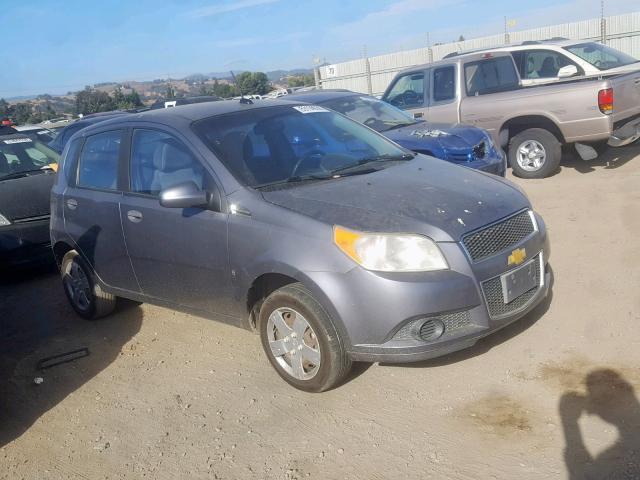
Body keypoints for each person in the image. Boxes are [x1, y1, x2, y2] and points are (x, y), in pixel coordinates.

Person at [560, 369, 640, 479]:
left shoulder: (614, 460)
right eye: (598, 402)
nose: (609, 404)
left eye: (607, 397)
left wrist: (569, 423)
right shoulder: (612, 458)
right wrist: (569, 423)